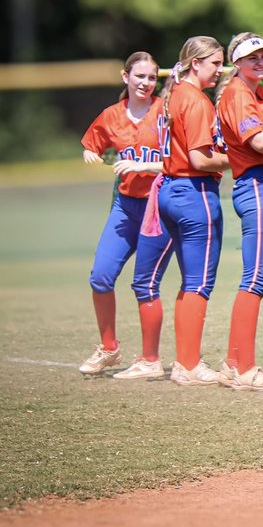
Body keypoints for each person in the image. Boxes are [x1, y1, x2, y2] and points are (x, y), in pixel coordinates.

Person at [78, 52, 175, 378]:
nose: (146, 83)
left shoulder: (166, 111)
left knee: (146, 284)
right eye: (140, 76)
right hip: (125, 206)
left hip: (157, 206)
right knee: (100, 277)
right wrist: (90, 151)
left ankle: (150, 358)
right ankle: (109, 348)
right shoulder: (112, 115)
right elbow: (94, 144)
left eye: (151, 77)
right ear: (125, 77)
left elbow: (183, 160)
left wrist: (143, 165)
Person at [143, 36, 230, 386]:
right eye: (214, 63)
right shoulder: (195, 100)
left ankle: (184, 361)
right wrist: (238, 158)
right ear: (195, 63)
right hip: (194, 191)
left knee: (188, 282)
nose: (219, 70)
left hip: (171, 191)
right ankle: (189, 365)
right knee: (198, 283)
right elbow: (199, 158)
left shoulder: (174, 94)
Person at [213, 33, 263, 391]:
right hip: (257, 186)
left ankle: (233, 363)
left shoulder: (253, 91)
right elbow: (259, 141)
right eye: (251, 57)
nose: (260, 62)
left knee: (257, 278)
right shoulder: (238, 93)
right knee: (256, 279)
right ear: (237, 62)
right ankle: (244, 368)